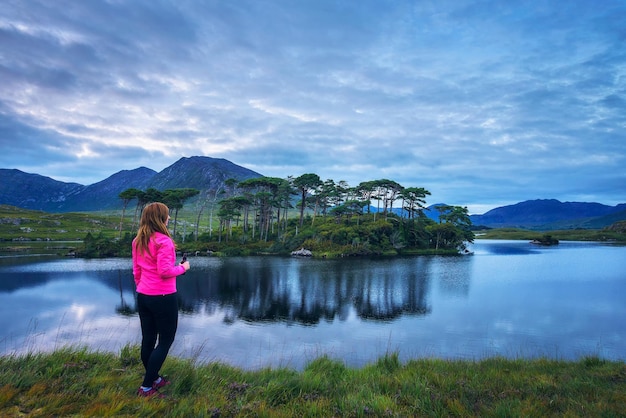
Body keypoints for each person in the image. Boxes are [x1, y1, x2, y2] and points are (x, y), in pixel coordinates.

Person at [132, 202, 190, 398]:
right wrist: (183, 268)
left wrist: (142, 288)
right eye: (167, 215)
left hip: (143, 296)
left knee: (148, 339)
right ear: (160, 218)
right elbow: (165, 272)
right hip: (163, 297)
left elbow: (137, 272)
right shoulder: (164, 242)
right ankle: (147, 387)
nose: (170, 218)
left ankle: (154, 378)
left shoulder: (137, 240)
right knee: (166, 340)